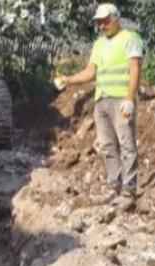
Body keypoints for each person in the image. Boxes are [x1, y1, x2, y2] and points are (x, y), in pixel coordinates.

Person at [56, 3, 144, 207]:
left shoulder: (130, 38)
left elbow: (135, 70)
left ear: (116, 18)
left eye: (105, 21)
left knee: (126, 144)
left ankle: (129, 191)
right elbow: (90, 72)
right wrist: (68, 79)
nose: (102, 26)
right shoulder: (99, 44)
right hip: (101, 100)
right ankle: (115, 186)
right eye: (99, 23)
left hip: (121, 100)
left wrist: (130, 98)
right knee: (107, 145)